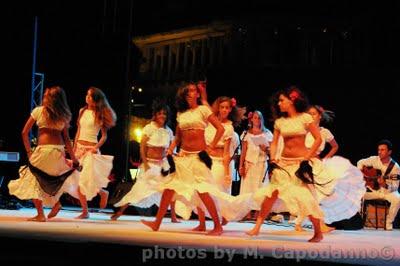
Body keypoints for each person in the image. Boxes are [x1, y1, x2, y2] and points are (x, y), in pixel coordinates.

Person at [141, 81, 226, 235]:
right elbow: (178, 137)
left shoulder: (203, 110)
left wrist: (211, 145)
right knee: (169, 189)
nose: (190, 93)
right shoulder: (181, 114)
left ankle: (217, 226)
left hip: (198, 158)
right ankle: (156, 223)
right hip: (183, 157)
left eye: (193, 91)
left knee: (203, 191)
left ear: (198, 94)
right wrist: (171, 149)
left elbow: (220, 128)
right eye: (188, 91)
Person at [246, 86, 326, 242]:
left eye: (282, 100)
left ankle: (318, 232)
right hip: (283, 163)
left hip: (298, 164)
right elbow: (275, 142)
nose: (279, 104)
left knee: (304, 197)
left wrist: (306, 157)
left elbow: (318, 139)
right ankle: (257, 227)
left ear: (292, 100)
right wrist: (274, 157)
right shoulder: (280, 122)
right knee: (270, 195)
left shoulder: (305, 118)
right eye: (278, 101)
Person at [8, 86, 80, 222]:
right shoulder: (63, 115)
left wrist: (29, 151)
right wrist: (74, 158)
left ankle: (41, 214)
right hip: (58, 152)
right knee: (51, 180)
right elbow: (67, 140)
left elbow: (24, 133)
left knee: (34, 179)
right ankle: (56, 204)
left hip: (44, 151)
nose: (43, 97)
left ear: (50, 99)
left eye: (46, 96)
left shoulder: (38, 111)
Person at [293, 104, 365, 231]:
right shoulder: (304, 130)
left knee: (319, 193)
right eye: (309, 114)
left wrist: (326, 158)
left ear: (320, 116)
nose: (311, 116)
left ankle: (303, 223)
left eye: (313, 114)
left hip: (316, 163)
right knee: (309, 193)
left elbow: (335, 146)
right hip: (304, 163)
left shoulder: (324, 132)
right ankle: (309, 223)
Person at [48, 87, 116, 219]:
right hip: (79, 148)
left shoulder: (99, 114)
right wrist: (73, 148)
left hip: (91, 151)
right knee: (77, 180)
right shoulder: (82, 111)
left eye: (90, 96)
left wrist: (95, 147)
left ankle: (88, 209)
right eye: (87, 95)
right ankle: (98, 196)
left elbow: (104, 136)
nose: (87, 97)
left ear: (95, 100)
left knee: (84, 182)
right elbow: (78, 130)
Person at [111, 99, 179, 222]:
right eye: (160, 113)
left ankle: (173, 216)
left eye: (164, 113)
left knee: (169, 190)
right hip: (150, 164)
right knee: (139, 189)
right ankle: (120, 211)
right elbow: (142, 147)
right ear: (155, 115)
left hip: (163, 165)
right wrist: (146, 164)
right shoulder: (149, 128)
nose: (162, 115)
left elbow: (171, 149)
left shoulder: (168, 131)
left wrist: (176, 155)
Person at [357, 139, 400, 230]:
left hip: (387, 192)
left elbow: (395, 186)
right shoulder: (374, 159)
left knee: (398, 198)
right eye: (379, 150)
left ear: (389, 152)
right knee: (356, 193)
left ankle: (388, 222)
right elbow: (360, 162)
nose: (379, 152)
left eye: (382, 150)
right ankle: (358, 221)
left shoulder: (395, 167)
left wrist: (385, 184)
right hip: (373, 190)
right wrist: (361, 174)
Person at [239, 110, 273, 220]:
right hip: (249, 164)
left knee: (260, 189)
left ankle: (259, 212)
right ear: (251, 119)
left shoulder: (267, 133)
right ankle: (247, 212)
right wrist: (241, 166)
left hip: (261, 164)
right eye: (255, 117)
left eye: (259, 118)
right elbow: (243, 152)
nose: (257, 120)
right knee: (248, 189)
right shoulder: (246, 134)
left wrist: (266, 149)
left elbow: (273, 151)